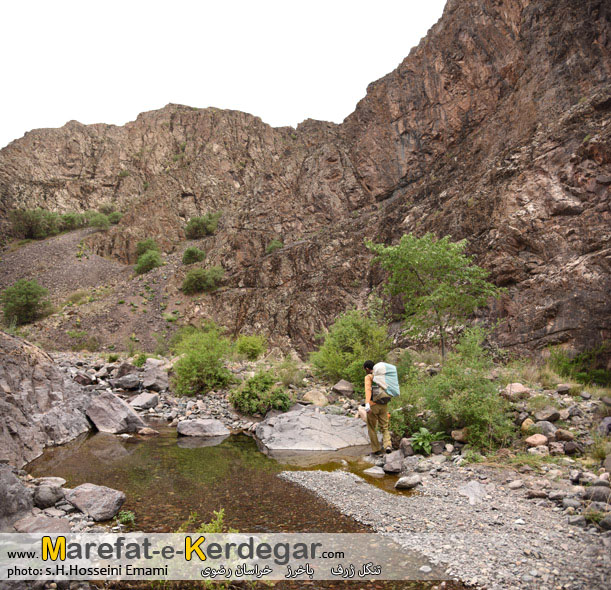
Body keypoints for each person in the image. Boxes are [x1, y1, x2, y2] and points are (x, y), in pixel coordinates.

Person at [363, 360, 392, 455]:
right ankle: (387, 445)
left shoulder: (369, 377)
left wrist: (367, 404)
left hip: (373, 405)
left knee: (371, 427)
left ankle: (376, 449)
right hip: (384, 404)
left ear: (367, 369)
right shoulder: (381, 376)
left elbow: (368, 390)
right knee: (385, 426)